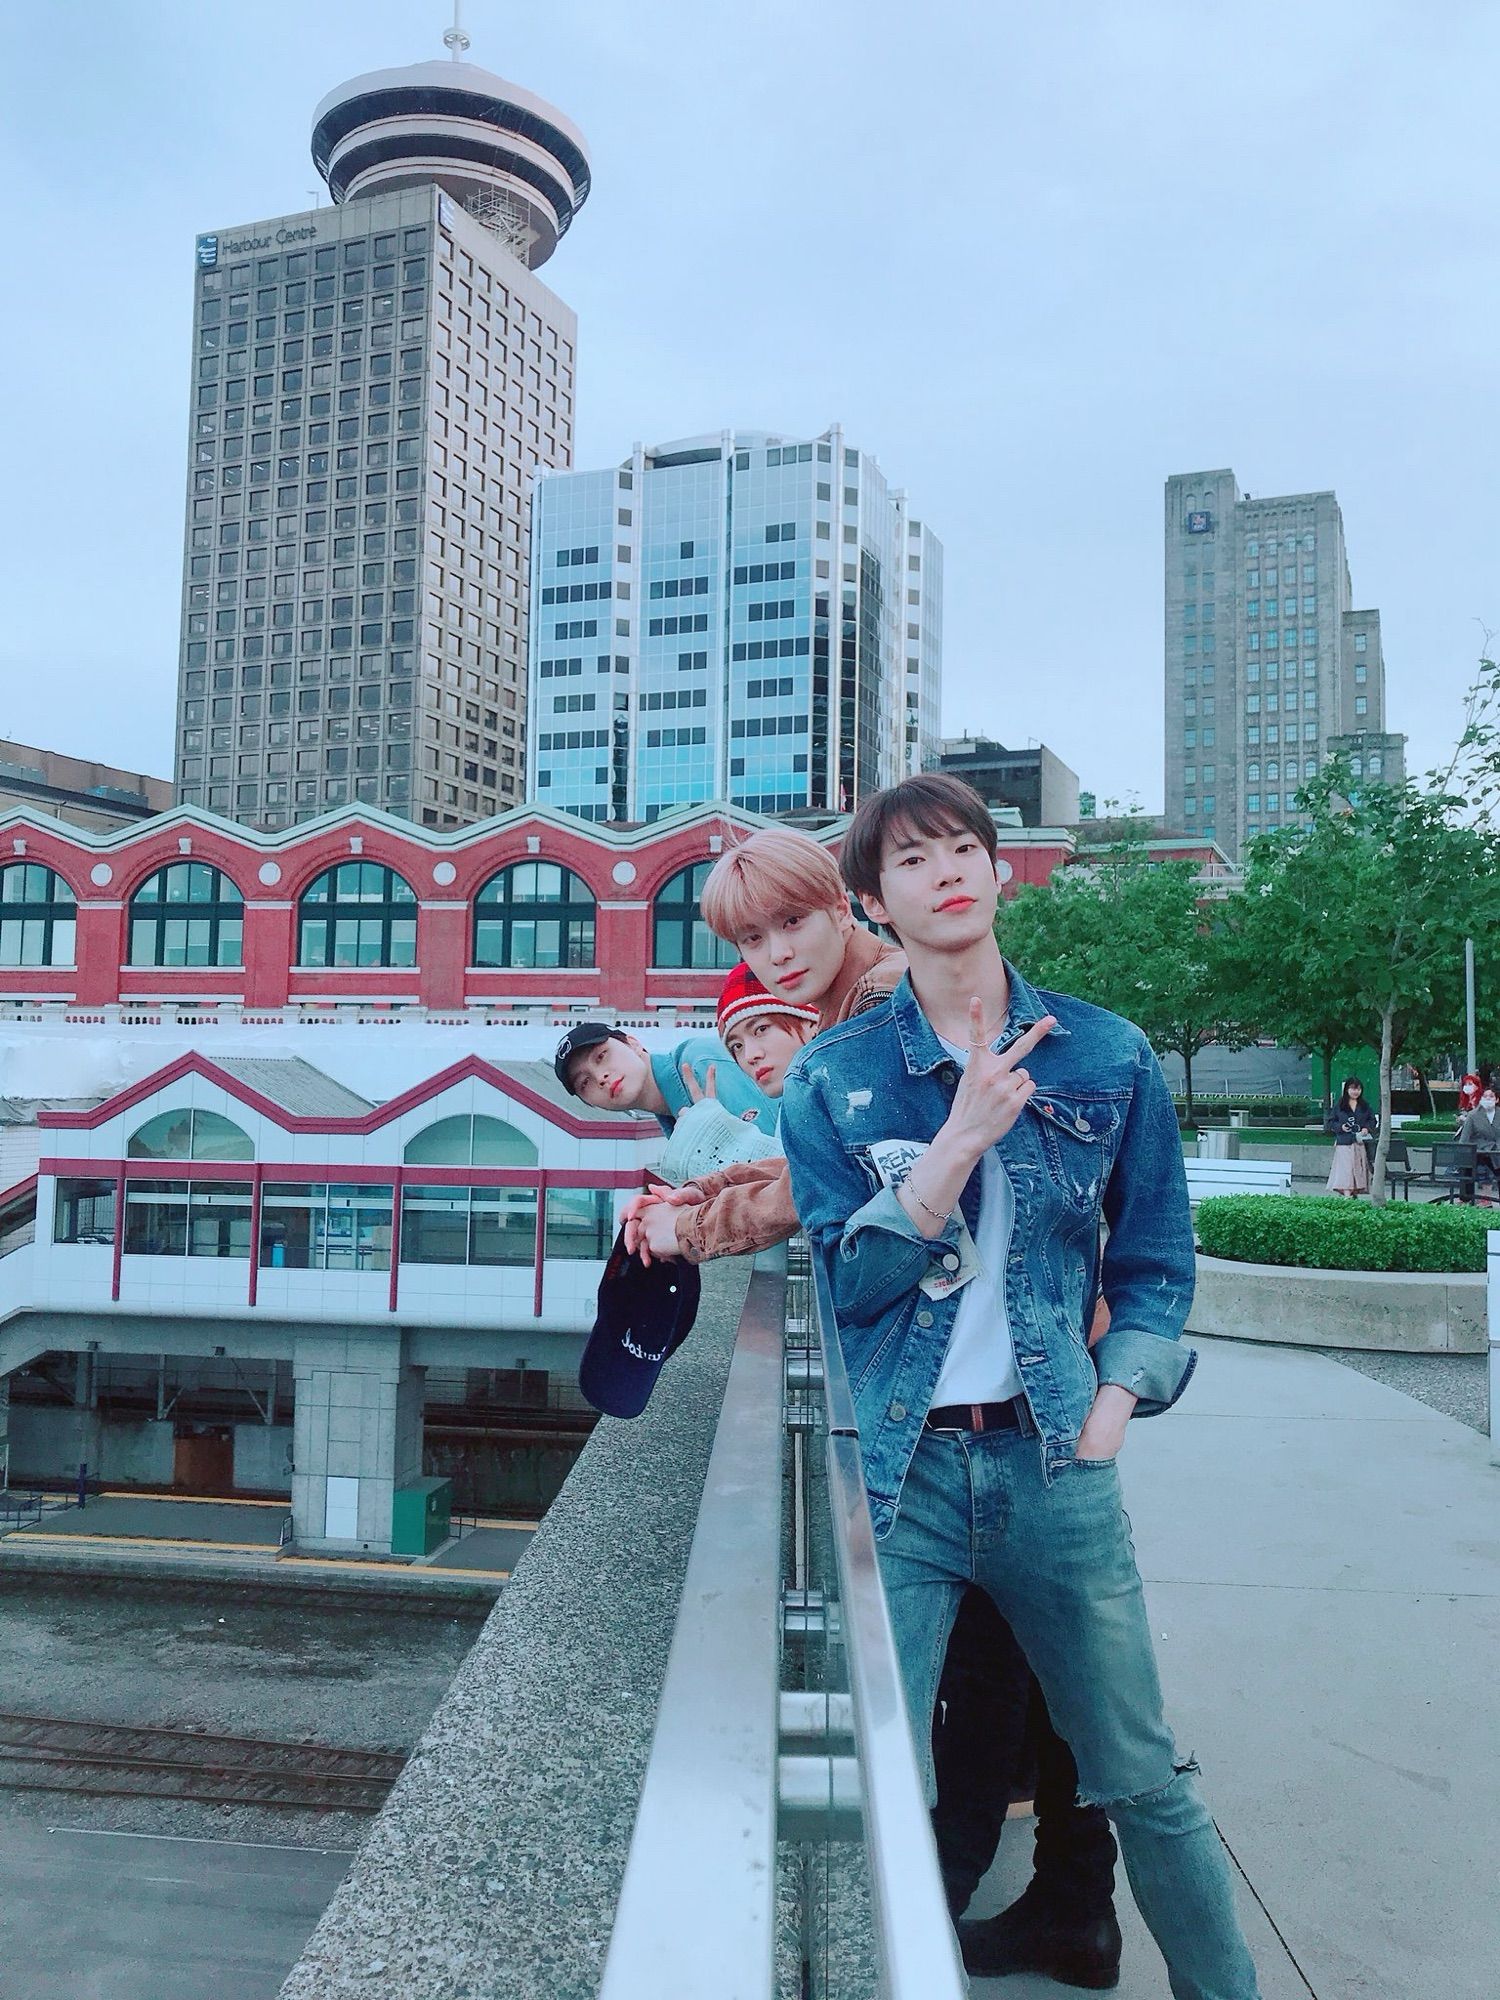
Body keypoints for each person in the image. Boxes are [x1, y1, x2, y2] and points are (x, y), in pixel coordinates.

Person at [776, 773, 1262, 1998]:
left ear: (998, 873)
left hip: (1056, 1465)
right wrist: (954, 1146)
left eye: (963, 848)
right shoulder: (830, 1080)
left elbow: (1155, 1261)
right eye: (911, 860)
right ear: (874, 905)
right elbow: (853, 1285)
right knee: (883, 1784)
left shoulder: (1105, 1051)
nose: (944, 870)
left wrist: (1110, 1413)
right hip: (907, 1475)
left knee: (1142, 1775)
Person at [623, 822, 1122, 1985]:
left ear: (844, 904)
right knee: (1041, 1655)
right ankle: (1067, 1901)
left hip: (1011, 1359)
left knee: (1008, 1657)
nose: (775, 951)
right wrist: (694, 1192)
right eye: (750, 936)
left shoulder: (890, 995)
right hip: (1014, 1348)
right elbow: (814, 1159)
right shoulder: (858, 999)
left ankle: (938, 1912)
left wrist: (685, 1226)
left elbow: (818, 1189)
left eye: (792, 919)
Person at [554, 1019, 774, 1136]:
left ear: (633, 1043)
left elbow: (775, 1159)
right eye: (585, 1083)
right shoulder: (675, 1121)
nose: (600, 1077)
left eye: (601, 1056)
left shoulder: (699, 1063)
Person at [1324, 1077, 1375, 1197]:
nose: (1355, 1092)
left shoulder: (1365, 1106)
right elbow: (1331, 1122)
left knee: (1357, 1168)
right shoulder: (1339, 1106)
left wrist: (1366, 1128)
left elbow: (1372, 1120)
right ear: (1347, 1090)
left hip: (1359, 1142)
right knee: (1345, 1169)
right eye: (1352, 1089)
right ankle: (1346, 1193)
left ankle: (1354, 1191)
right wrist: (1341, 1127)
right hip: (1344, 1143)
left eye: (1358, 1089)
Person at [1456, 1085, 1500, 1203]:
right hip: (1477, 1151)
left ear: (1497, 1100)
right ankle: (1465, 1199)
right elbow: (1464, 1139)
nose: (1488, 1099)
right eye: (1485, 1096)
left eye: (1491, 1096)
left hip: (1496, 1151)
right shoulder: (1473, 1115)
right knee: (1467, 1166)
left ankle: (1487, 1200)